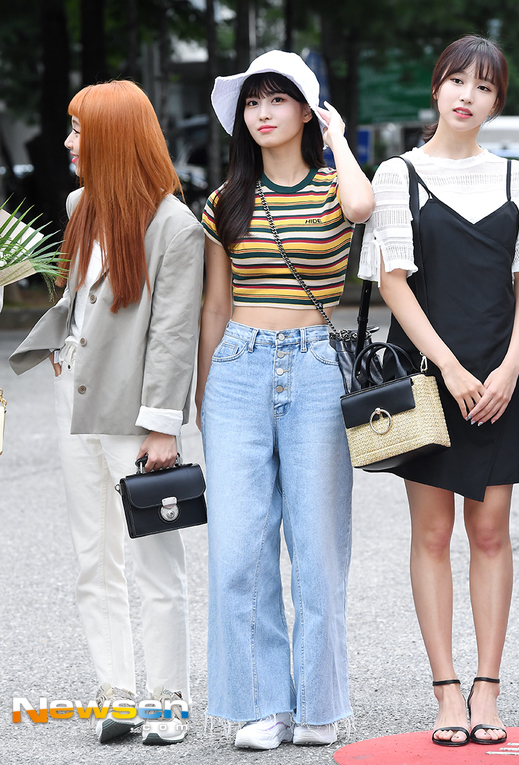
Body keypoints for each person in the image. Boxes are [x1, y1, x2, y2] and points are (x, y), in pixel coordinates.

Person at [9, 80, 204, 746]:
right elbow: (78, 297)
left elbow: (173, 333)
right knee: (94, 555)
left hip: (136, 415)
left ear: (115, 138)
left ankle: (168, 699)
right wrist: (61, 343)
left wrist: (162, 426)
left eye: (78, 130)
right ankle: (116, 691)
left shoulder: (174, 226)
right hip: (75, 400)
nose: (67, 141)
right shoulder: (80, 204)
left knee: (154, 558)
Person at [360, 35, 519, 747]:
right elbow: (393, 283)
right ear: (437, 87)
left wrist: (508, 369)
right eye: (458, 81)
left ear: (497, 102)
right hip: (427, 380)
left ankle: (488, 687)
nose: (468, 95)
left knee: (491, 532)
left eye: (485, 87)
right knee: (432, 533)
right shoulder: (398, 174)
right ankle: (445, 691)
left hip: (501, 378)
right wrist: (453, 370)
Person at [196, 49, 374, 750]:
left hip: (317, 369)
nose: (262, 113)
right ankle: (262, 704)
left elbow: (361, 208)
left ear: (306, 110)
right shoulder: (226, 200)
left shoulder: (334, 188)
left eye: (277, 99)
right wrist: (204, 396)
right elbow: (215, 306)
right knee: (238, 547)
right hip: (237, 368)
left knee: (318, 544)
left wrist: (337, 138)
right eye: (252, 102)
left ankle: (320, 703)